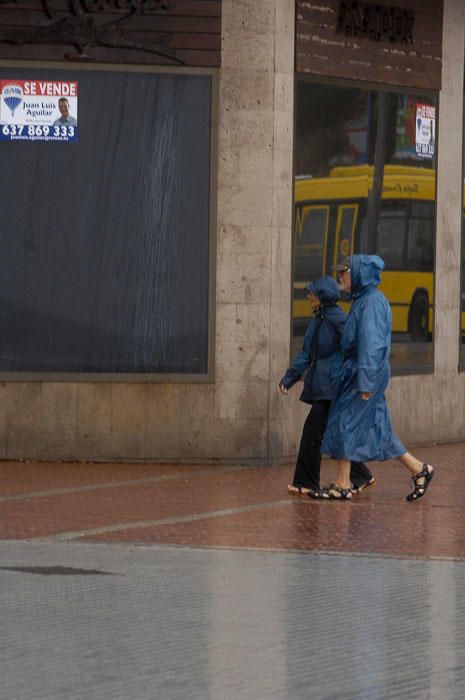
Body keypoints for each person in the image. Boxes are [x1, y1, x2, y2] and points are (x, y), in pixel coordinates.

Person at [320, 254, 435, 501]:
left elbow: (371, 346)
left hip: (364, 372)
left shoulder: (370, 303)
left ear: (358, 273)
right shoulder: (364, 300)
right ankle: (420, 469)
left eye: (344, 272)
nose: (340, 277)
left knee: (345, 422)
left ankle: (342, 484)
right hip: (363, 371)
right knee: (380, 429)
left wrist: (366, 383)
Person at [279, 276, 374, 499]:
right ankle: (361, 475)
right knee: (332, 432)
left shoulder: (337, 319)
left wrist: (361, 376)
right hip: (323, 384)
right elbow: (306, 354)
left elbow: (359, 344)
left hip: (334, 385)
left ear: (322, 296)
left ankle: (306, 482)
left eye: (311, 292)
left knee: (313, 431)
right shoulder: (317, 320)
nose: (308, 296)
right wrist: (289, 379)